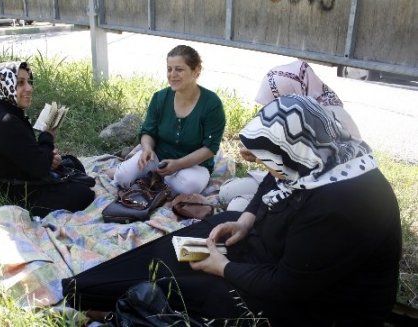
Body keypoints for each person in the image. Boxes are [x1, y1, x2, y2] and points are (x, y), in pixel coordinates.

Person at [63, 95, 401, 326]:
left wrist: (223, 268)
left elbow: (287, 285)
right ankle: (88, 287)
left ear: (294, 152)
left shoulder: (342, 205)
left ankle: (113, 298)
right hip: (289, 255)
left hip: (324, 306)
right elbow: (273, 179)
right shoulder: (322, 155)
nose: (273, 171)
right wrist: (246, 219)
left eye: (275, 163)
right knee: (207, 233)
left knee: (203, 284)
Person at [219, 59, 361, 211]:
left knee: (237, 206)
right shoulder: (301, 113)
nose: (273, 109)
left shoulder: (320, 120)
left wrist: (263, 158)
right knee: (226, 192)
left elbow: (302, 173)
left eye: (274, 102)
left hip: (310, 194)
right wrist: (260, 156)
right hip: (289, 181)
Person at [0, 61, 95, 217]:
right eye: (20, 83)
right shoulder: (7, 121)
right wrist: (48, 135)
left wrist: (48, 158)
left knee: (73, 162)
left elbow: (24, 154)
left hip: (15, 177)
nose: (29, 88)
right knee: (84, 194)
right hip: (14, 194)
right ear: (4, 85)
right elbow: (39, 168)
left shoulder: (1, 112)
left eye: (29, 82)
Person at [112, 45, 226, 195]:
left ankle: (153, 180)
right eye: (169, 69)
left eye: (179, 69)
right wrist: (147, 149)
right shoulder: (160, 97)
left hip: (192, 165)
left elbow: (210, 148)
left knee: (188, 187)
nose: (172, 75)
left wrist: (178, 165)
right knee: (122, 178)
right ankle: (154, 179)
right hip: (159, 157)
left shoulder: (212, 104)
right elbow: (148, 132)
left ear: (196, 71)